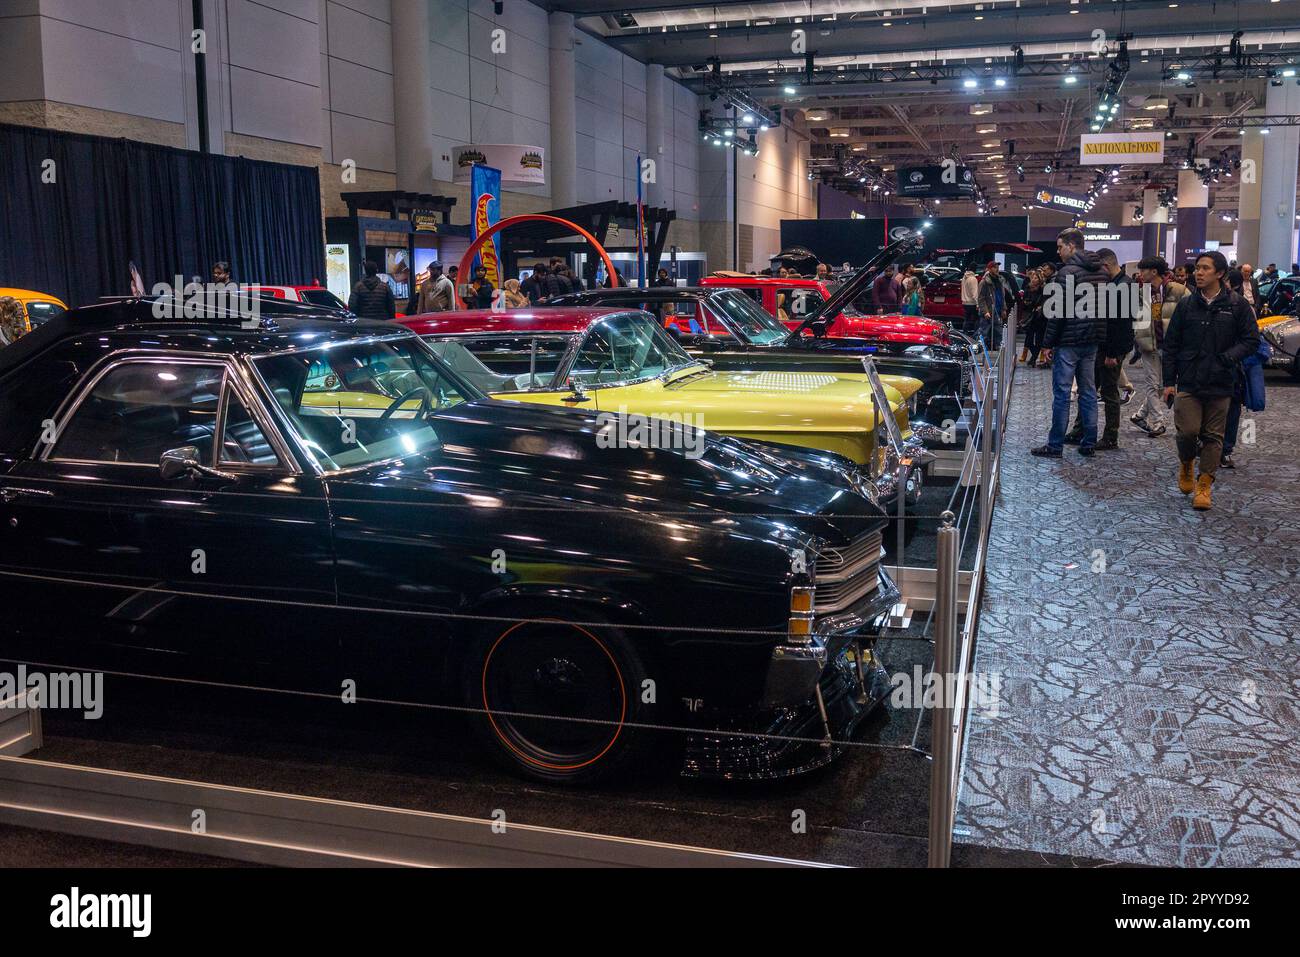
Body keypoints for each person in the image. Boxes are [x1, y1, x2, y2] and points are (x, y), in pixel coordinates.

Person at [1161, 251, 1259, 509]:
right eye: (1197, 268)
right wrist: (1168, 381)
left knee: (1214, 436)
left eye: (1205, 268)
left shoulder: (1237, 305)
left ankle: (1204, 485)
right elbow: (1171, 344)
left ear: (1220, 273)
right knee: (1188, 433)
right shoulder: (1186, 304)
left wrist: (1228, 358)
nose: (1198, 273)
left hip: (1221, 381)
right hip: (1190, 380)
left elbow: (1251, 340)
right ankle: (1186, 463)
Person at [1031, 227, 1108, 458]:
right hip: (1092, 340)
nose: (1058, 251)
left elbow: (1058, 312)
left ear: (1071, 246)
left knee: (1063, 394)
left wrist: (1047, 344)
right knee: (1088, 392)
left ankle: (1055, 445)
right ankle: (1088, 443)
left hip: (1069, 341)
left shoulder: (1067, 272)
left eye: (1060, 246)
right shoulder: (1103, 272)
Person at [1063, 248, 1134, 450]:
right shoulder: (1114, 283)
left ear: (1106, 265)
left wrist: (1112, 353)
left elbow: (1121, 323)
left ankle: (1111, 436)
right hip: (1102, 345)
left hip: (1112, 348)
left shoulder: (1124, 286)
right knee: (1089, 388)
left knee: (1110, 392)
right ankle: (1080, 430)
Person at [1132, 256, 1187, 437]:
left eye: (1143, 270)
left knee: (1163, 385)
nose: (1140, 274)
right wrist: (1138, 338)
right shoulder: (1141, 292)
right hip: (1149, 344)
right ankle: (1158, 422)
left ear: (1153, 271)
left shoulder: (1178, 291)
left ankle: (1140, 415)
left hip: (1172, 345)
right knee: (1152, 384)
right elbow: (1138, 318)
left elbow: (1191, 313)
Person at [976, 261, 1008, 349]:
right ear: (989, 269)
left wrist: (1003, 309)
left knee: (998, 332)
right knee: (984, 332)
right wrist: (985, 311)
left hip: (997, 311)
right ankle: (981, 350)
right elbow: (981, 298)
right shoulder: (984, 282)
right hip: (988, 311)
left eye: (997, 267)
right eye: (994, 267)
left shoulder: (1000, 280)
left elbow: (1002, 296)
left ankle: (999, 349)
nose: (997, 269)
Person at [1020, 269, 1048, 366]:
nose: (1033, 279)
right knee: (1029, 339)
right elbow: (1025, 302)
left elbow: (1045, 302)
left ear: (1040, 279)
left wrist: (1040, 306)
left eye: (1036, 278)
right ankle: (1034, 356)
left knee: (1039, 339)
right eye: (1033, 277)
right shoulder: (1028, 288)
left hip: (1040, 317)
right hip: (1030, 317)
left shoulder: (1043, 289)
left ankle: (1033, 358)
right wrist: (1028, 303)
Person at [960, 267, 980, 333]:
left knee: (966, 319)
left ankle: (965, 334)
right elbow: (974, 292)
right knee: (977, 319)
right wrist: (977, 303)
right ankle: (976, 336)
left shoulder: (964, 278)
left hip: (965, 302)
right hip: (972, 303)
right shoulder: (973, 279)